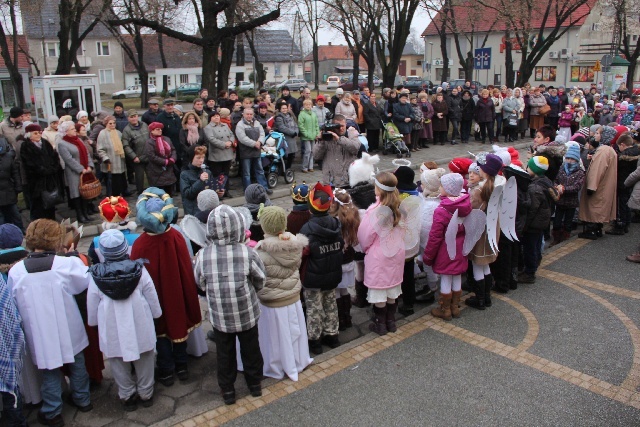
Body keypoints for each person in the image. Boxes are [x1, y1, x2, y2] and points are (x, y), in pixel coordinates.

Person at [9, 219, 93, 426]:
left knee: (50, 370)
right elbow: (83, 283)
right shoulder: (66, 264)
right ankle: (83, 400)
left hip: (39, 330)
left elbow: (13, 299)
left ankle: (53, 411)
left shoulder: (17, 271)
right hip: (68, 324)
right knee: (77, 363)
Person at [194, 205, 266, 404]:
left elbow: (199, 281)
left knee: (224, 353)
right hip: (246, 311)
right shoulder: (247, 253)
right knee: (251, 349)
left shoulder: (203, 255)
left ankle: (227, 391)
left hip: (220, 314)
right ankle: (254, 385)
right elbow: (260, 279)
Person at [130, 188, 202, 387]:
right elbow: (186, 269)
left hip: (156, 297)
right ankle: (182, 366)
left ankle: (166, 370)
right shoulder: (177, 237)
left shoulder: (140, 245)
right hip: (176, 292)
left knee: (160, 330)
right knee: (177, 323)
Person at [87, 229, 162, 411]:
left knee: (117, 361)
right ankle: (146, 392)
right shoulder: (139, 270)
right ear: (125, 249)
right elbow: (151, 294)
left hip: (112, 324)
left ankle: (127, 395)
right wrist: (156, 314)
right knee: (145, 357)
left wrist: (93, 322)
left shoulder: (96, 276)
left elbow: (92, 302)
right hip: (139, 320)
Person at [252, 205, 312, 381]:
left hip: (271, 302)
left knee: (275, 339)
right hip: (292, 296)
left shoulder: (260, 251)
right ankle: (297, 359)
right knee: (293, 333)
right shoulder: (294, 244)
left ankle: (275, 365)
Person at [358, 172, 406, 333]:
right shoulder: (400, 207)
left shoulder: (374, 211)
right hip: (397, 253)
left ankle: (380, 324)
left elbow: (365, 236)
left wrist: (366, 249)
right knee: (392, 287)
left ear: (379, 189)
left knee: (379, 290)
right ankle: (391, 322)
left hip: (379, 255)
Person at [298, 182, 343, 354]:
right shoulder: (335, 224)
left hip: (313, 278)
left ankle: (315, 342)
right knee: (331, 305)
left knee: (314, 309)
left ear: (310, 208)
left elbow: (303, 253)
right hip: (332, 275)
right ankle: (332, 336)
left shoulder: (307, 229)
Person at [423, 173, 472, 320]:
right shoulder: (466, 204)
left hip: (446, 249)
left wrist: (428, 255)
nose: (440, 188)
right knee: (456, 274)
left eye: (442, 186)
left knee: (445, 277)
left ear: (448, 189)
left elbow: (435, 236)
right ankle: (455, 307)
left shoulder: (442, 209)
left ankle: (445, 309)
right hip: (461, 247)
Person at [465, 154, 502, 308]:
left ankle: (479, 299)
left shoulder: (479, 190)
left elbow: (469, 209)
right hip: (492, 228)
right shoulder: (498, 185)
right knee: (485, 264)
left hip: (480, 231)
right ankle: (486, 297)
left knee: (477, 264)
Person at [518, 157, 556, 283]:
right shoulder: (545, 182)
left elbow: (532, 210)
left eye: (528, 167)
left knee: (530, 248)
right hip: (541, 222)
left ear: (534, 170)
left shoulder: (534, 188)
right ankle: (533, 264)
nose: (526, 168)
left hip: (534, 224)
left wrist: (524, 226)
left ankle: (530, 272)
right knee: (535, 245)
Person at [329, 189, 360, 329]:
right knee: (344, 290)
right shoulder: (353, 216)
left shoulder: (334, 221)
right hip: (348, 259)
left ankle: (340, 319)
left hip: (337, 262)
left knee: (336, 291)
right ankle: (347, 317)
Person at [393, 167, 422, 316]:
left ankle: (397, 301)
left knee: (397, 275)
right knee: (408, 274)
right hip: (412, 243)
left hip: (399, 246)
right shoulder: (417, 196)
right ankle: (409, 303)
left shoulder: (399, 201)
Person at [21, 124, 62, 220]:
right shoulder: (26, 146)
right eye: (35, 133)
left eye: (40, 133)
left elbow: (54, 157)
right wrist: (42, 170)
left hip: (49, 180)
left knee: (50, 204)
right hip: (36, 182)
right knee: (38, 206)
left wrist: (53, 168)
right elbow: (29, 163)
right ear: (29, 135)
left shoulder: (45, 143)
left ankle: (51, 224)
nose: (38, 135)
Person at [58, 121, 95, 223]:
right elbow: (68, 159)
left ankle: (85, 213)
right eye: (72, 129)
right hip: (73, 173)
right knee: (77, 193)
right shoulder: (62, 144)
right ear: (66, 132)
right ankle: (80, 215)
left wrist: (89, 166)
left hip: (85, 171)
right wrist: (80, 169)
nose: (75, 130)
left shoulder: (78, 140)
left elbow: (87, 153)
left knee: (85, 193)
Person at [313, 114, 361, 187]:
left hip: (347, 181)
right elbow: (316, 156)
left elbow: (355, 147)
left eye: (343, 126)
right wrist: (321, 140)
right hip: (330, 182)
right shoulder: (326, 137)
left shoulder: (351, 134)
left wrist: (339, 139)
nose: (341, 128)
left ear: (346, 124)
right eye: (338, 126)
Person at [552, 143, 585, 245]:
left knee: (568, 223)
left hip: (571, 202)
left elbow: (577, 187)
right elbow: (555, 180)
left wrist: (564, 189)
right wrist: (557, 186)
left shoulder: (580, 172)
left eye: (572, 159)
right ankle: (556, 239)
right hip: (560, 201)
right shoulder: (561, 169)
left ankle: (564, 241)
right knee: (557, 223)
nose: (569, 161)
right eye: (568, 158)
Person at [607, 134, 639, 235]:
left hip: (622, 182)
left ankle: (620, 225)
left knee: (621, 204)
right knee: (628, 203)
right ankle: (626, 223)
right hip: (632, 183)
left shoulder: (623, 157)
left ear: (622, 144)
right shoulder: (637, 152)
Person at [236, 106, 271, 193]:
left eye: (251, 114)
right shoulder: (240, 125)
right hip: (246, 152)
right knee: (247, 173)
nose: (249, 116)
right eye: (247, 114)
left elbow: (262, 133)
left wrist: (260, 142)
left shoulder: (257, 123)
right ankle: (249, 191)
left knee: (260, 171)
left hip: (256, 151)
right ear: (243, 115)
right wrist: (254, 144)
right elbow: (242, 138)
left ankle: (264, 188)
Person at [204, 110, 235, 198]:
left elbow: (232, 134)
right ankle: (217, 193)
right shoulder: (208, 128)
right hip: (216, 155)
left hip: (227, 153)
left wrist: (230, 142)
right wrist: (224, 144)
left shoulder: (225, 125)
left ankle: (226, 191)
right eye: (214, 116)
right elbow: (211, 139)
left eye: (217, 116)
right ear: (211, 118)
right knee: (217, 176)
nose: (216, 117)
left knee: (226, 174)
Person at [97, 115, 128, 197]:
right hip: (110, 162)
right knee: (112, 182)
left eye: (114, 123)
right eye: (110, 123)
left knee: (121, 179)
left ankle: (122, 193)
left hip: (119, 161)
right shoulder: (102, 134)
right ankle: (113, 196)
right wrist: (105, 158)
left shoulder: (118, 133)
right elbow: (100, 149)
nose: (112, 125)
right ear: (106, 124)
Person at [144, 122, 177, 196]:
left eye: (161, 129)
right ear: (152, 131)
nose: (160, 131)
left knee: (169, 193)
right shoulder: (149, 142)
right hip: (156, 171)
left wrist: (172, 159)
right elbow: (152, 156)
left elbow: (173, 150)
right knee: (158, 193)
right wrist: (164, 161)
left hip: (168, 170)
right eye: (157, 129)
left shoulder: (166, 139)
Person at [180, 145, 215, 215]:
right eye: (198, 158)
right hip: (193, 211)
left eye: (203, 157)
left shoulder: (207, 172)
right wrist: (200, 181)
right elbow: (187, 194)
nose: (201, 160)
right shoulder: (184, 174)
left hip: (206, 210)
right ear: (191, 158)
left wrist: (218, 192)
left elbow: (211, 189)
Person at [122, 110, 150, 195]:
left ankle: (152, 192)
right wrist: (134, 157)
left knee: (151, 176)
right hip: (138, 158)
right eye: (131, 117)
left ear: (138, 116)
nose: (134, 118)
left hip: (149, 156)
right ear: (128, 118)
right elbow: (126, 146)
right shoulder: (126, 130)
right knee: (139, 178)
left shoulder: (144, 125)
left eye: (135, 116)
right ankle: (140, 193)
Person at [0, 134, 23, 231]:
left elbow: (15, 173)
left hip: (9, 191)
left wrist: (18, 187)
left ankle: (20, 232)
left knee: (15, 215)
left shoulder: (8, 157)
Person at [156, 99, 182, 169]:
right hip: (168, 146)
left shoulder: (176, 116)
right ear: (164, 106)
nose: (170, 107)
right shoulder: (160, 117)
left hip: (178, 146)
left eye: (172, 105)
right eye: (168, 105)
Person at [274, 102, 299, 170]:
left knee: (292, 155)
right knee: (286, 156)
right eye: (283, 108)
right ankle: (284, 170)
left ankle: (288, 169)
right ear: (280, 109)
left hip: (292, 138)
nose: (285, 110)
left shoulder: (290, 116)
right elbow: (282, 127)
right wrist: (292, 133)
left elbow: (295, 125)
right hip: (285, 138)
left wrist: (296, 132)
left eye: (285, 108)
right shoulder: (279, 117)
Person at [298, 99, 320, 173]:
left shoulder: (313, 114)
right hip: (306, 136)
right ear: (304, 106)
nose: (308, 106)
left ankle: (311, 166)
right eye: (306, 104)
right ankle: (304, 167)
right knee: (308, 151)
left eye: (309, 104)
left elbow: (316, 124)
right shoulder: (302, 114)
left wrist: (317, 133)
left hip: (313, 136)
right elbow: (301, 125)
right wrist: (305, 134)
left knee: (313, 151)